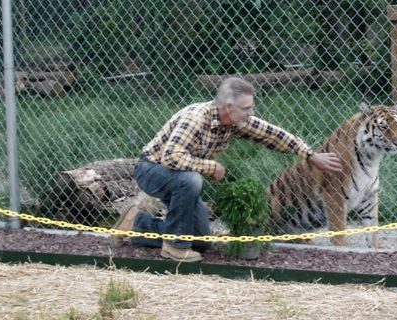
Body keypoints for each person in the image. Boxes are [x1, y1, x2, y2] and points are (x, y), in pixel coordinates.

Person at [110, 77, 343, 262]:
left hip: (178, 177)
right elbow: (171, 158)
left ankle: (136, 224)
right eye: (247, 108)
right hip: (152, 170)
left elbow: (273, 134)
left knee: (202, 242)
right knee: (191, 180)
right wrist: (211, 166)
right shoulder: (196, 118)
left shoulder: (235, 121)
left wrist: (310, 155)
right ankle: (174, 247)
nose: (251, 113)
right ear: (229, 107)